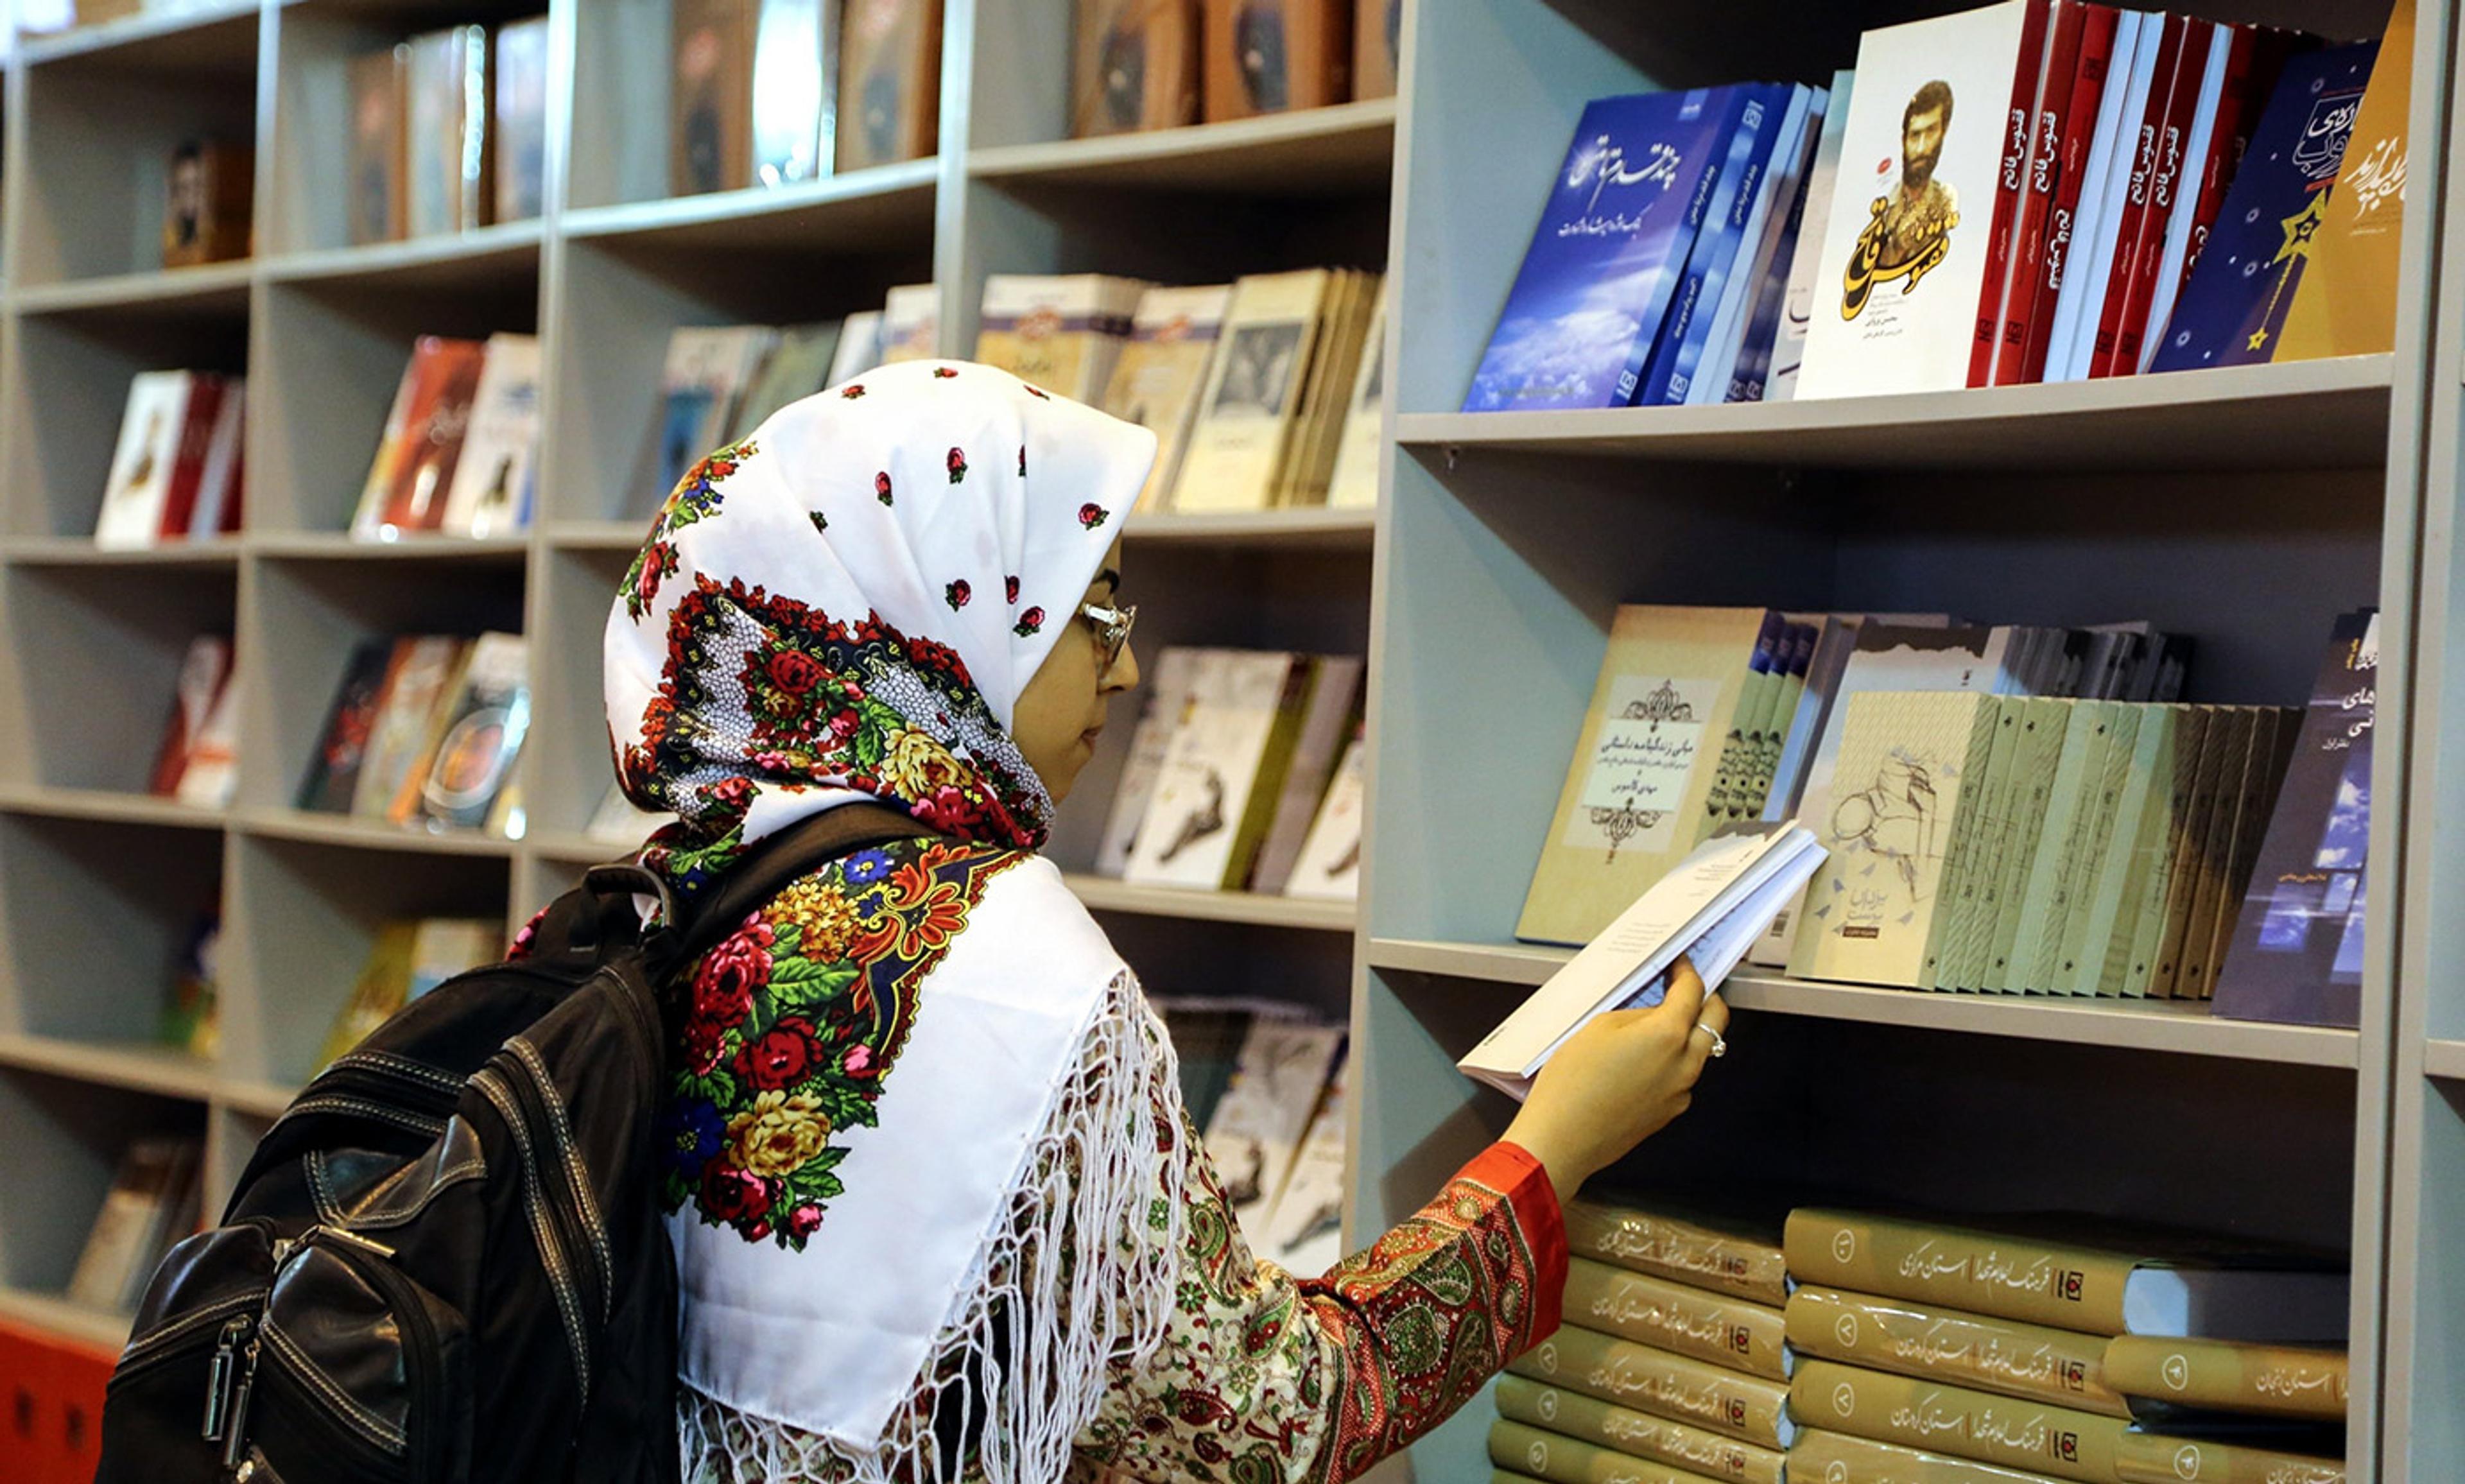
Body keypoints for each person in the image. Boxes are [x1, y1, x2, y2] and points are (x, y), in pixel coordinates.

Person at [603, 359, 1729, 1483]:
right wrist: (1554, 1147)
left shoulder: (680, 888)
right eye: (1091, 609)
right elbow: (1265, 1421)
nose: (1128, 666)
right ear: (938, 611)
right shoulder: (1007, 963)